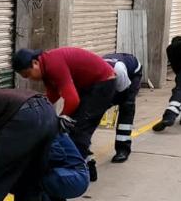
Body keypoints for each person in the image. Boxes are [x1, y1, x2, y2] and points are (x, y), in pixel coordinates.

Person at [12, 47, 116, 181]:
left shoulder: (53, 65)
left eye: (28, 74)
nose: (30, 79)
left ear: (35, 63)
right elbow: (53, 94)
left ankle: (79, 175)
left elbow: (72, 100)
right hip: (89, 85)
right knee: (74, 128)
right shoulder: (46, 67)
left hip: (102, 83)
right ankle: (87, 165)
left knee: (78, 129)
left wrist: (62, 118)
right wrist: (38, 110)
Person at [39, 133, 91, 201]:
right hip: (73, 173)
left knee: (28, 179)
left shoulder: (41, 125)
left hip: (75, 176)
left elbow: (57, 156)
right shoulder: (41, 120)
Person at [102, 52, 142, 163]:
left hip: (132, 73)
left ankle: (123, 149)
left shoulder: (118, 71)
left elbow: (124, 94)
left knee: (126, 106)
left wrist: (110, 102)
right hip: (114, 70)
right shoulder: (90, 74)